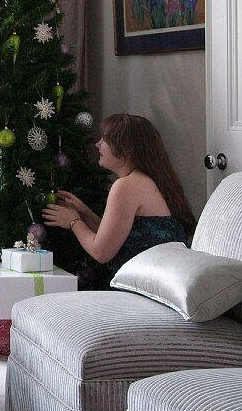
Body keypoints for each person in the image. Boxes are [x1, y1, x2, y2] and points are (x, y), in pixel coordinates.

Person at [43, 113, 194, 289]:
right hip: (160, 285)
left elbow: (101, 252)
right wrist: (84, 212)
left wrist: (73, 222)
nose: (98, 144)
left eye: (105, 140)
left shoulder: (127, 186)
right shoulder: (153, 181)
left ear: (125, 149)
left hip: (142, 290)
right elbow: (117, 238)